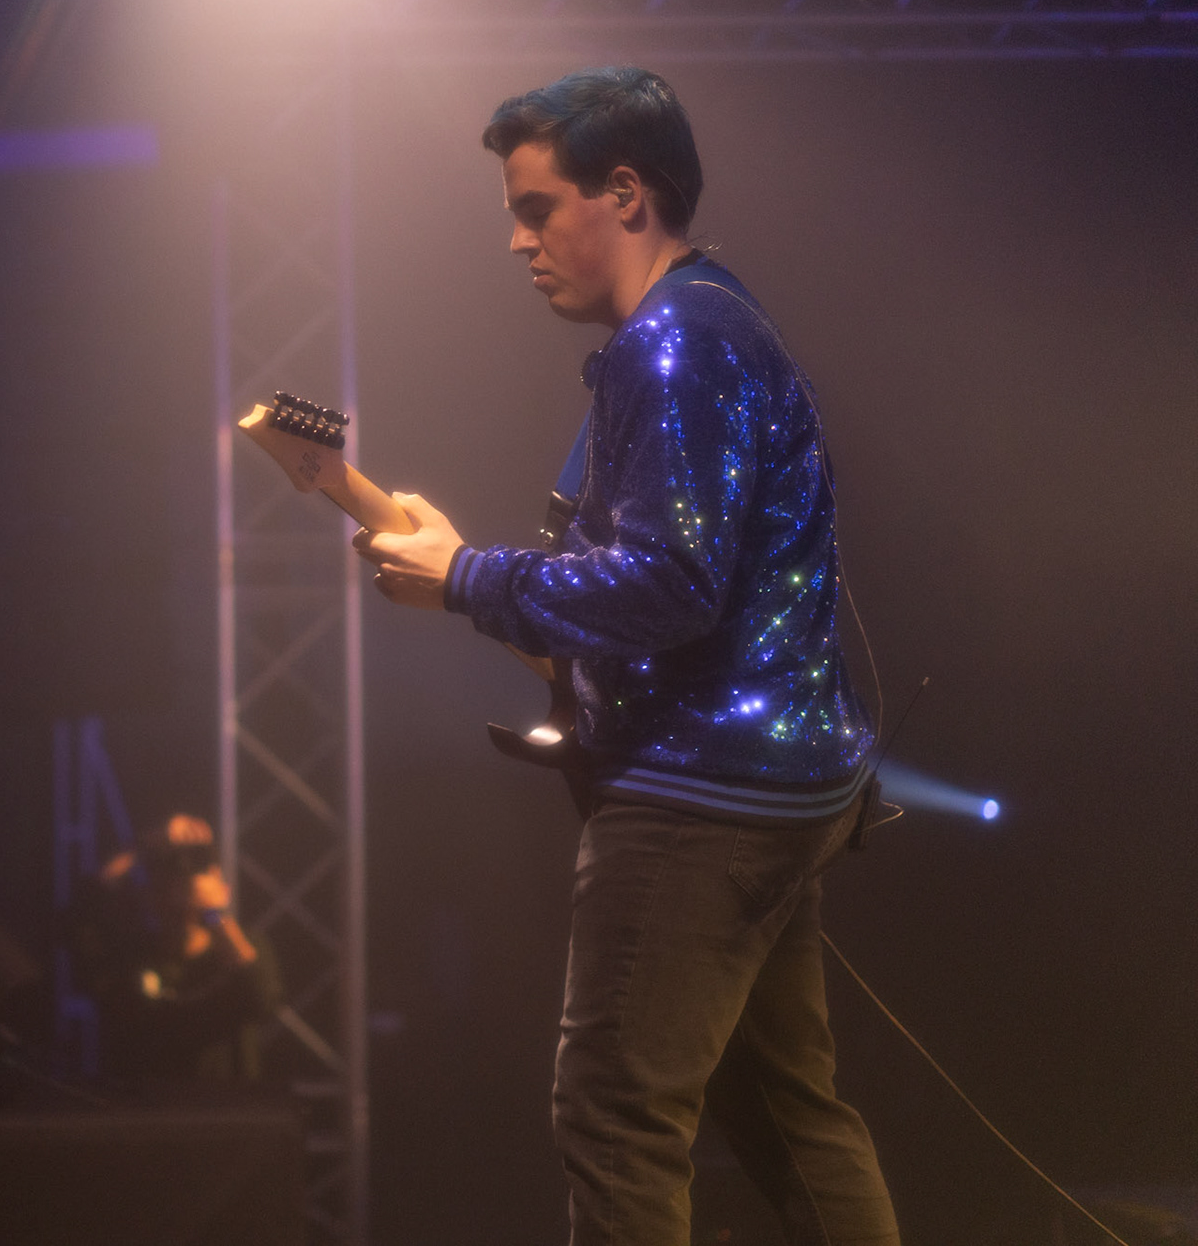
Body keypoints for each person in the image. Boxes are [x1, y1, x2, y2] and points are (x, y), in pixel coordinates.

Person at [350, 67, 900, 1245]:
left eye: (536, 209)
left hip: (698, 800)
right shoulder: (714, 320)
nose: (517, 241)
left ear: (625, 193)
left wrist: (468, 577)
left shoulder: (675, 347)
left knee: (616, 1118)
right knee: (790, 1116)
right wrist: (478, 583)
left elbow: (670, 586)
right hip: (779, 786)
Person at [67, 813, 282, 1084]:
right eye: (166, 882)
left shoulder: (245, 947)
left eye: (199, 875)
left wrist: (212, 914)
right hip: (148, 1104)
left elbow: (262, 999)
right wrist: (141, 846)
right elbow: (80, 918)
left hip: (226, 1104)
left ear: (223, 890)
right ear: (150, 895)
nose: (182, 887)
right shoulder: (133, 956)